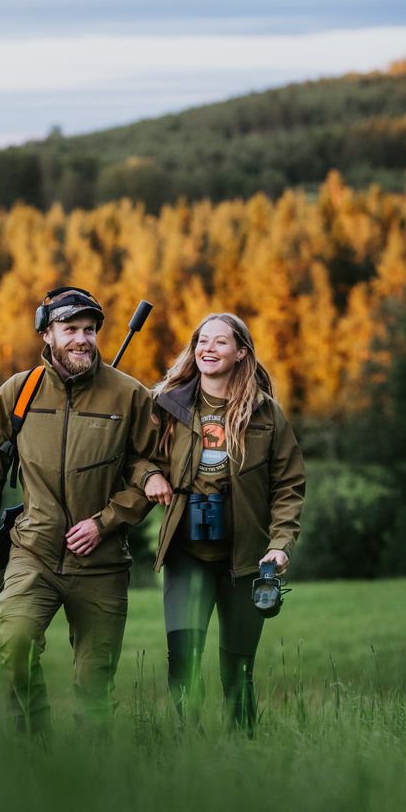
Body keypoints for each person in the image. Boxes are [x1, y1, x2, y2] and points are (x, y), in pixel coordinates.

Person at [0, 287, 166, 735]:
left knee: (95, 684)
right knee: (15, 647)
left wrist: (105, 522)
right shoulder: (18, 393)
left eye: (89, 330)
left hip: (102, 564)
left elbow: (150, 470)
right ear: (47, 333)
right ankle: (34, 751)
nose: (82, 339)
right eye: (70, 329)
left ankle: (90, 768)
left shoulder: (129, 395)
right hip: (32, 552)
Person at [145, 313, 305, 734]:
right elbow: (137, 455)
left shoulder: (265, 413)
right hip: (187, 554)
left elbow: (288, 484)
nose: (208, 348)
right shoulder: (169, 405)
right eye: (202, 341)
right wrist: (150, 475)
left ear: (241, 353)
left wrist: (280, 543)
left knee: (238, 671)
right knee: (183, 662)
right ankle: (189, 752)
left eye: (220, 342)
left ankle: (243, 752)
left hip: (247, 560)